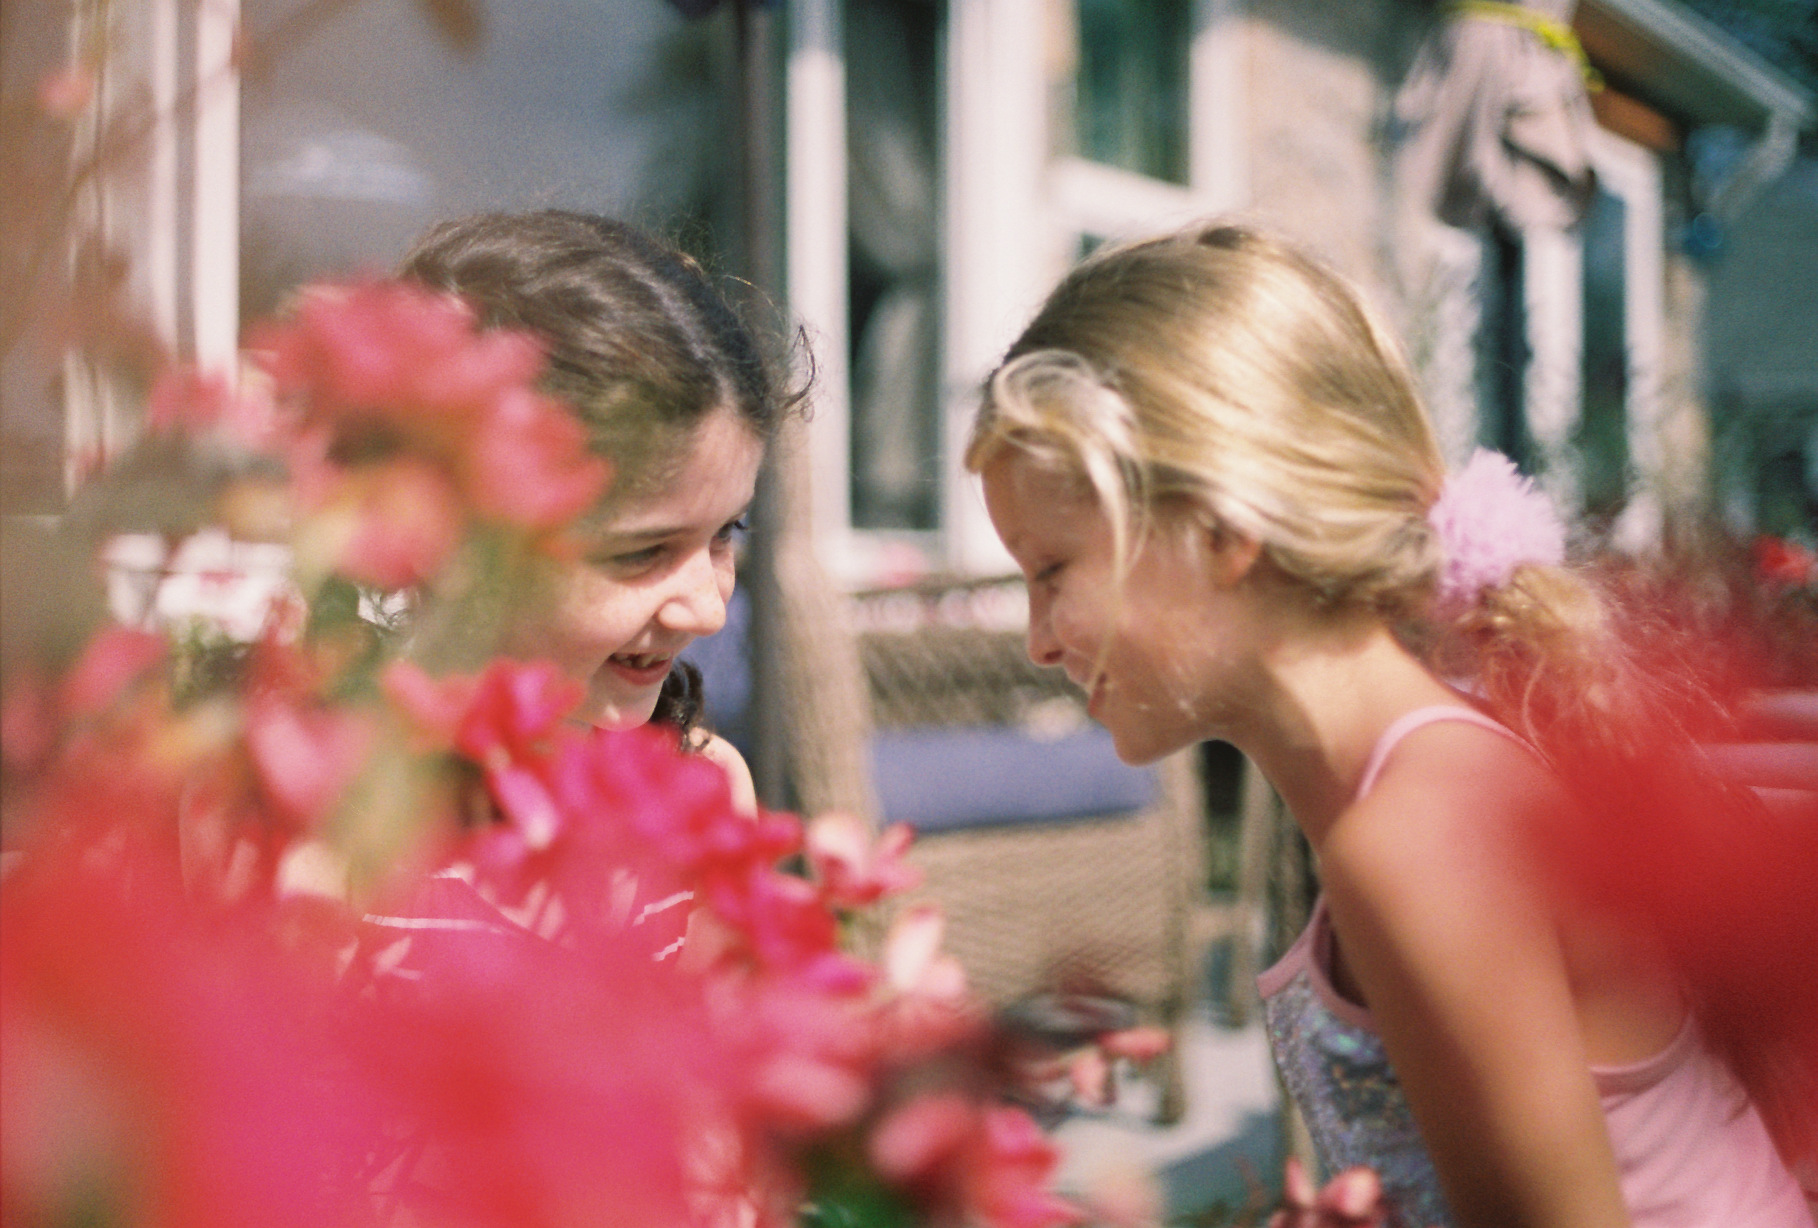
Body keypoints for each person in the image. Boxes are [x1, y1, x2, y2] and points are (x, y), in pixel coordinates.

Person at [966, 221, 1815, 1227]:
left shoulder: (1417, 840)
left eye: (1051, 571)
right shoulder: (1403, 786)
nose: (1036, 640)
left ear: (1223, 528)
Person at [400, 209, 801, 812]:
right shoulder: (339, 819)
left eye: (727, 532)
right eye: (641, 550)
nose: (709, 611)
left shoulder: (703, 790)